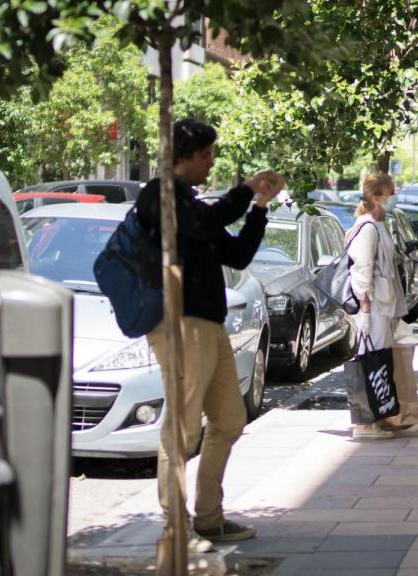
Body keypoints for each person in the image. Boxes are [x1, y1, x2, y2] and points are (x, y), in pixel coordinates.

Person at [136, 119, 283, 549]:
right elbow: (204, 224)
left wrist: (258, 208)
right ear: (186, 156)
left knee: (229, 420)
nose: (211, 162)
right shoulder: (160, 197)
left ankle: (209, 517)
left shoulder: (193, 205)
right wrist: (245, 190)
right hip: (178, 324)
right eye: (206, 155)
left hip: (209, 324)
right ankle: (176, 526)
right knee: (181, 430)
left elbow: (235, 254)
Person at [346, 172, 409, 440]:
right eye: (390, 193)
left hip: (382, 306)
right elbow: (362, 270)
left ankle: (379, 415)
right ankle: (364, 423)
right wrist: (366, 310)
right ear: (376, 197)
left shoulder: (377, 225)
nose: (394, 198)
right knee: (369, 361)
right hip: (373, 308)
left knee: (379, 360)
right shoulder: (367, 228)